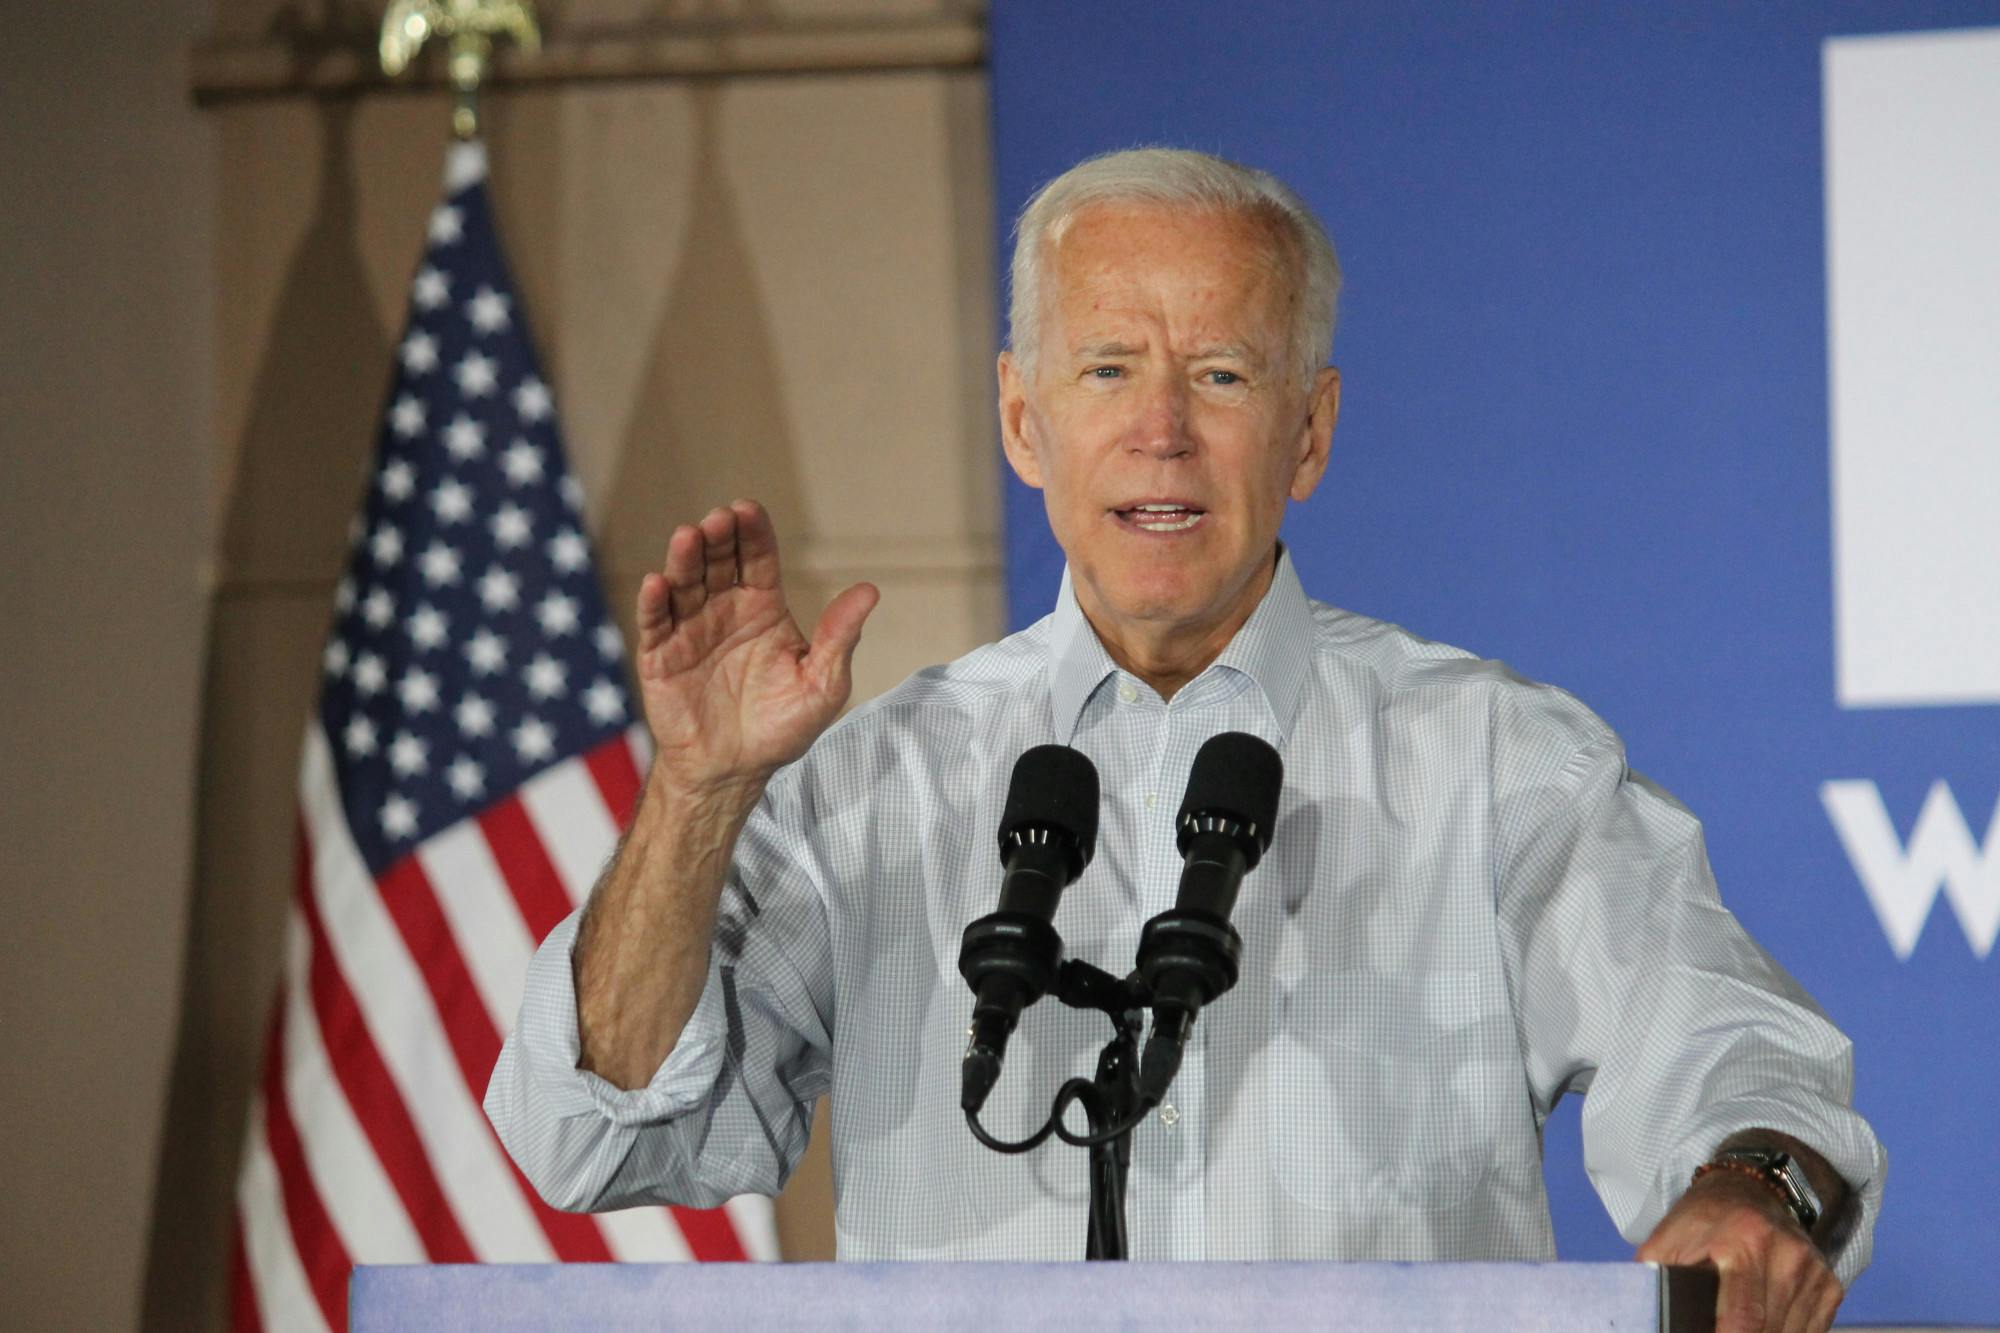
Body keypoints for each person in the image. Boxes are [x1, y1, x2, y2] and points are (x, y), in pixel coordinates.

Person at [487, 148, 1884, 1331]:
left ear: (1311, 432)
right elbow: (594, 1130)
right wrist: (696, 793)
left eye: (1220, 374)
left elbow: (1734, 1048)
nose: (1159, 433)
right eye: (1106, 369)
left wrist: (1746, 1188)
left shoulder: (1492, 760)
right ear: (1024, 419)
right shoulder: (876, 781)